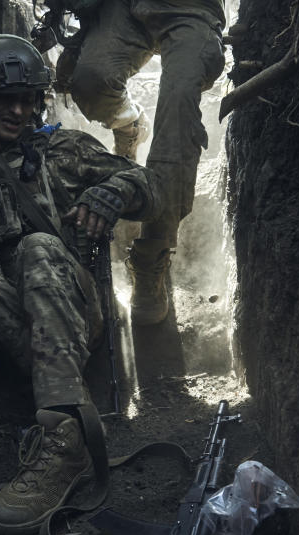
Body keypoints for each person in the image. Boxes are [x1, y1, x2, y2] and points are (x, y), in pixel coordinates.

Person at [0, 34, 162, 535]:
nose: (18, 109)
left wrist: (109, 193)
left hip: (73, 313)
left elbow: (149, 188)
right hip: (10, 329)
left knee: (38, 248)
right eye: (3, 98)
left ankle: (65, 434)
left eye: (28, 97)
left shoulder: (63, 150)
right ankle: (52, 401)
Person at [63, 0, 226, 326]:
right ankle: (130, 126)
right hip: (124, 5)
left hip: (190, 7)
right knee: (90, 81)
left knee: (177, 116)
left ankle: (152, 255)